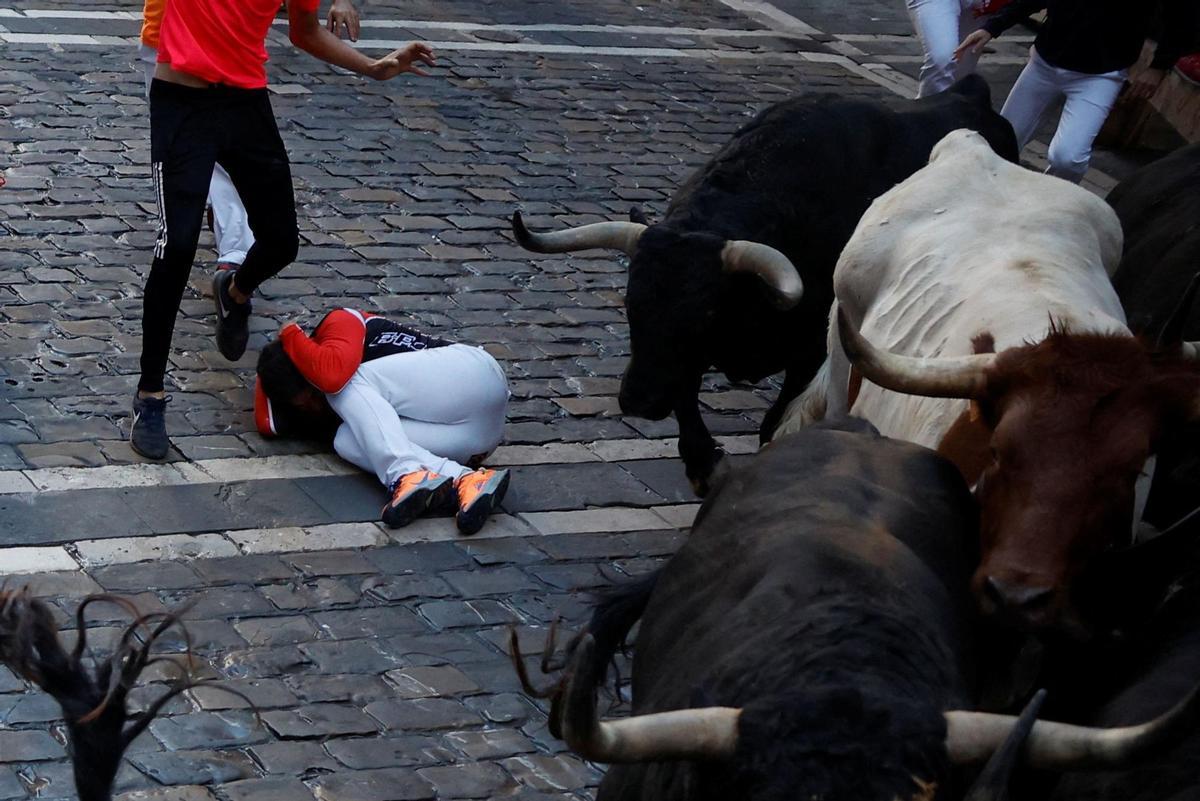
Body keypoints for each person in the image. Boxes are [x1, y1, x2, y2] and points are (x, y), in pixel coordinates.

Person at [130, 0, 435, 460]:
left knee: (281, 241)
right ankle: (149, 396)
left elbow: (304, 31)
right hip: (181, 103)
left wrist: (374, 67)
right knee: (177, 246)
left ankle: (234, 291)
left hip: (245, 105)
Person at [255, 308, 512, 535]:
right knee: (346, 440)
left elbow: (332, 378)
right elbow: (268, 424)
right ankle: (465, 479)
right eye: (303, 407)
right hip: (476, 438)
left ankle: (405, 472)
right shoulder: (345, 406)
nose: (315, 406)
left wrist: (289, 333)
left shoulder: (338, 324)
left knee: (343, 384)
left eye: (312, 395)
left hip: (475, 374)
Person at [956, 0, 1199, 182]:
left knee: (1068, 159)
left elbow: (1180, 17)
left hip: (1100, 76)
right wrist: (992, 27)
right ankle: (984, 194)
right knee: (1000, 141)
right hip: (1044, 65)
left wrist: (1158, 67)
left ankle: (1048, 203)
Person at [906, 0, 1010, 98]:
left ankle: (933, 111)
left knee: (959, 80)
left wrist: (994, 25)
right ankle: (927, 113)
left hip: (980, 4)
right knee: (943, 59)